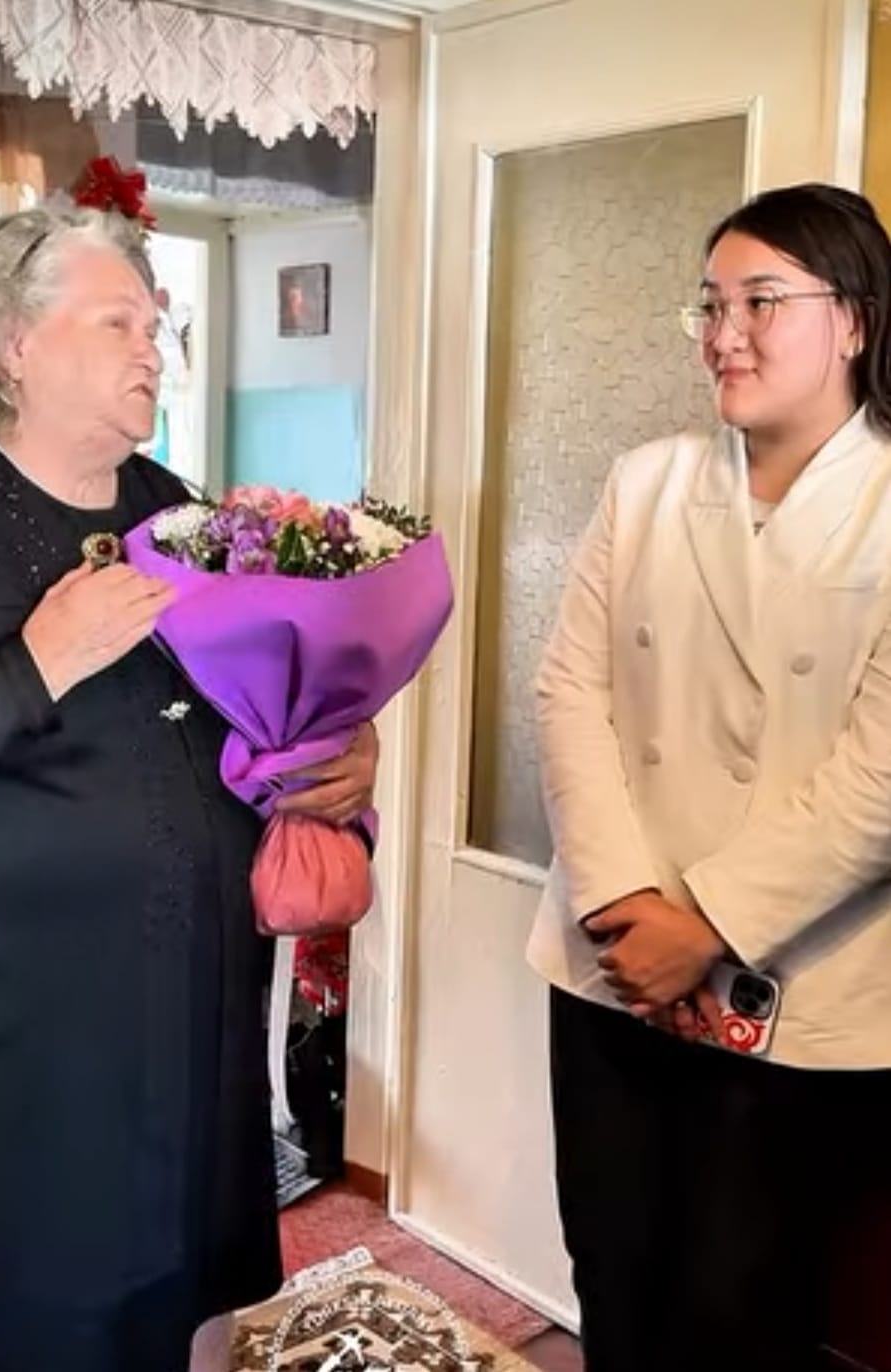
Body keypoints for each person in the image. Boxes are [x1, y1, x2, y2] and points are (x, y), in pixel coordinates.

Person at [0, 205, 378, 1372]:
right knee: (41, 1326)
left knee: (183, 1314)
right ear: (13, 344)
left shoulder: (167, 504)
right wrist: (37, 661)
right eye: (118, 321)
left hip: (191, 1024)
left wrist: (335, 753)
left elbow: (245, 706)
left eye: (156, 323)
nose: (152, 347)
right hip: (22, 1057)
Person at [528, 183, 891, 1372]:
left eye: (759, 301)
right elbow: (568, 693)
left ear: (853, 319)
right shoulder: (644, 482)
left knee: (741, 1311)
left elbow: (877, 779)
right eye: (709, 305)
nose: (722, 334)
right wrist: (627, 907)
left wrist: (707, 926)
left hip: (798, 985)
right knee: (612, 1275)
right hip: (611, 967)